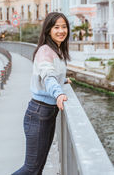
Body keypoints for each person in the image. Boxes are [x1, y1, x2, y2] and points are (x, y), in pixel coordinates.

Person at [13, 12, 71, 175]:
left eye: (64, 27)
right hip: (39, 113)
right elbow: (47, 75)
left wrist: (63, 81)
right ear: (48, 30)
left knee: (37, 168)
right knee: (31, 168)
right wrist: (59, 93)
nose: (61, 31)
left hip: (46, 113)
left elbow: (51, 74)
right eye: (56, 27)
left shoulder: (56, 49)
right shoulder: (45, 51)